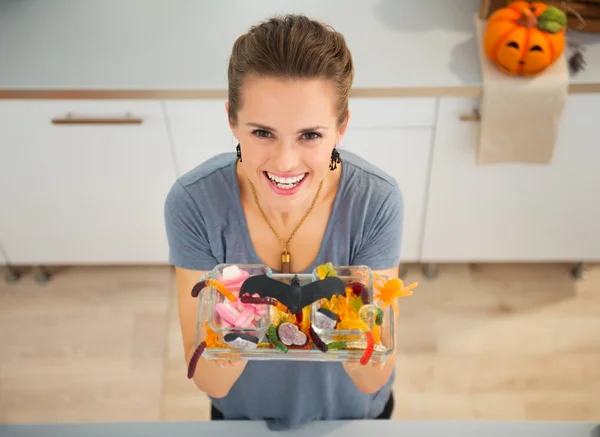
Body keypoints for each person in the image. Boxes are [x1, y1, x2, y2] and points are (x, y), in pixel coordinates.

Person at [164, 14, 404, 431]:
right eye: (262, 133)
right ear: (232, 121)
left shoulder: (375, 202)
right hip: (243, 416)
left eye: (310, 135)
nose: (285, 162)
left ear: (341, 127)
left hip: (350, 414)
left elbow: (373, 377)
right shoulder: (194, 203)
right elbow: (209, 380)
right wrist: (238, 322)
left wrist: (352, 324)